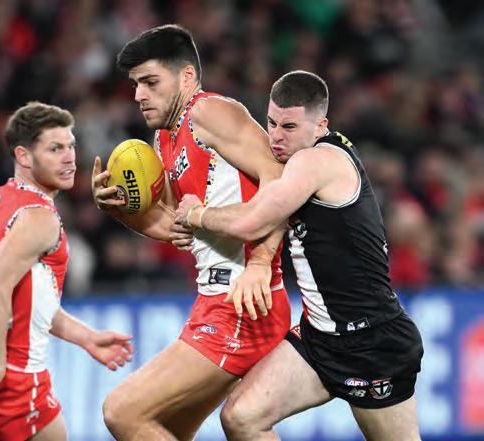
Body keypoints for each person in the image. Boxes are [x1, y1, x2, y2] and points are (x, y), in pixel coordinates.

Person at [175, 70, 424, 441]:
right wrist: (261, 262)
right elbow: (279, 211)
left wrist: (196, 214)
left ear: (320, 125)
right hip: (318, 338)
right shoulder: (300, 162)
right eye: (271, 123)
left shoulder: (316, 162)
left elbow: (254, 221)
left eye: (289, 126)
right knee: (242, 417)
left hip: (370, 341)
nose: (276, 136)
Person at [92, 24, 291, 440]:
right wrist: (117, 210)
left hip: (244, 302)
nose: (139, 95)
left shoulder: (209, 112)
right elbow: (174, 227)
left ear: (186, 77)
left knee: (122, 411)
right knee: (168, 427)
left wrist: (259, 263)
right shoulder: (164, 139)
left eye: (150, 82)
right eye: (135, 84)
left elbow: (281, 180)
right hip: (214, 300)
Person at [0, 101, 134, 441]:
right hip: (12, 375)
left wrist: (85, 337)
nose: (69, 158)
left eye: (70, 146)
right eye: (55, 149)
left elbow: (30, 300)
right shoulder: (40, 219)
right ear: (23, 156)